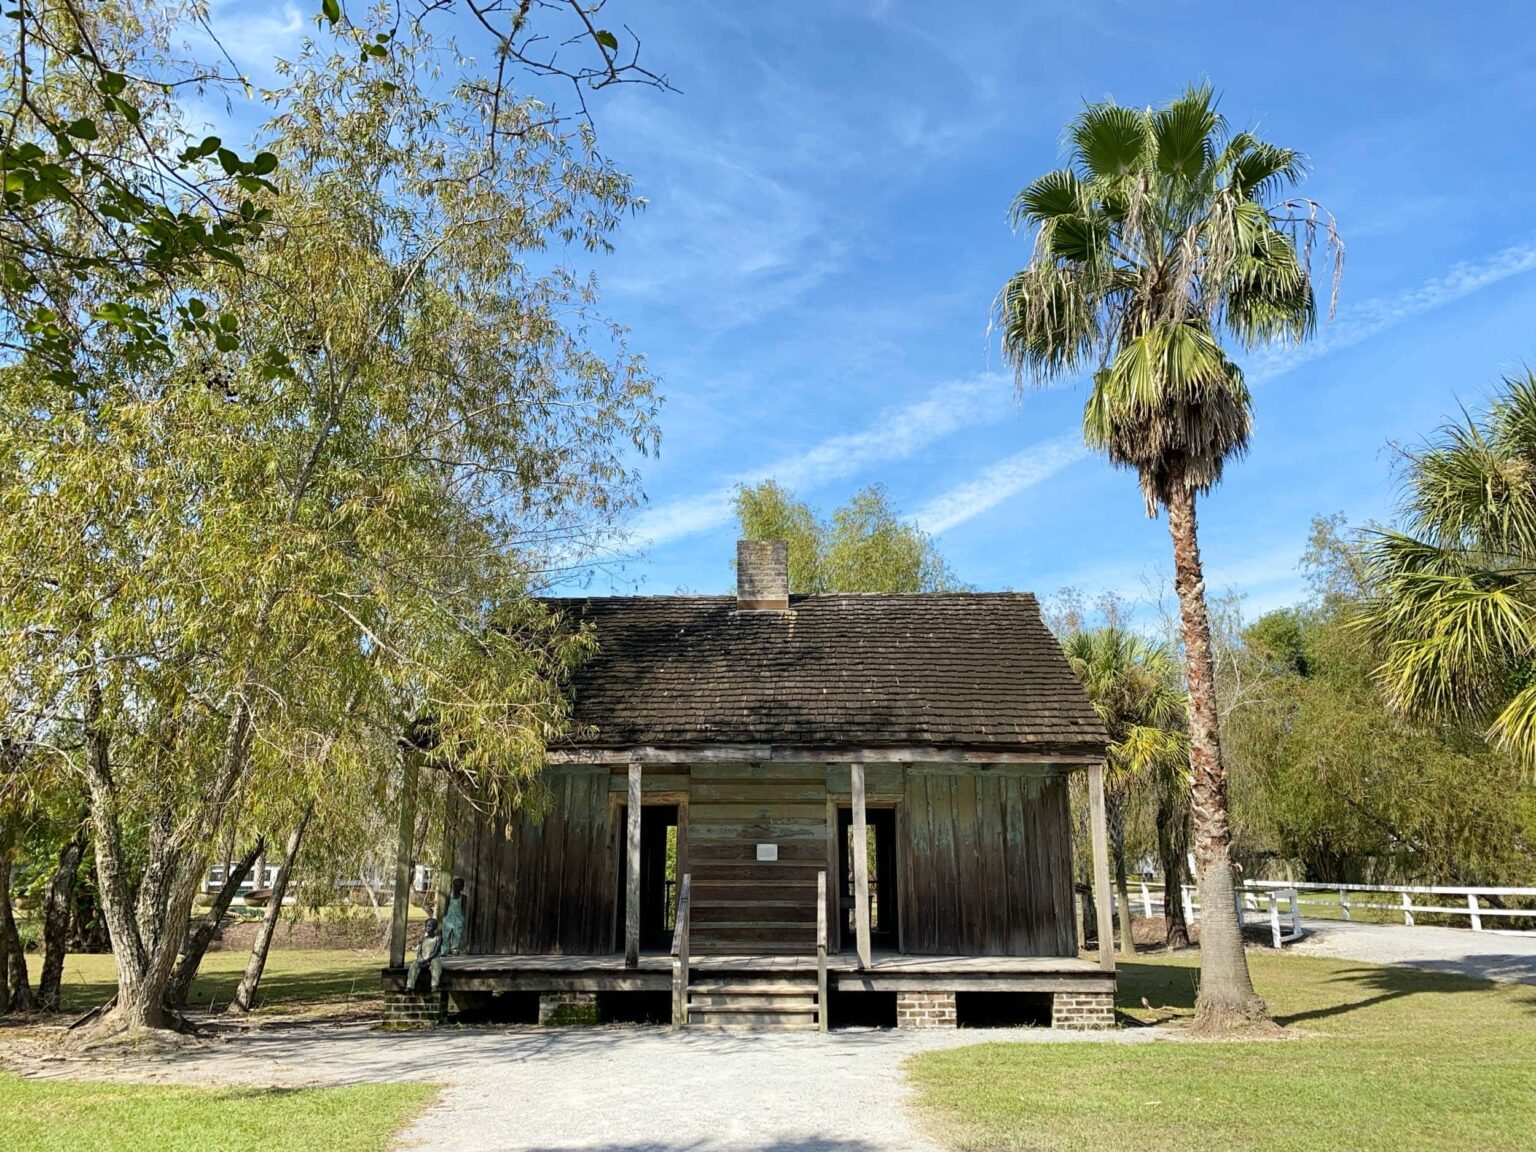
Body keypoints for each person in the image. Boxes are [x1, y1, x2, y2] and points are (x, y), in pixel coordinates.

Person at [405, 916, 444, 993]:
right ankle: (410, 985)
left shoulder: (438, 938)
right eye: (426, 926)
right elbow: (419, 952)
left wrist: (427, 960)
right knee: (413, 964)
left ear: (435, 928)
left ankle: (434, 985)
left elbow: (436, 952)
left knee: (436, 964)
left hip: (432, 959)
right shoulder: (423, 939)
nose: (427, 928)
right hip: (423, 959)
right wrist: (420, 959)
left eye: (429, 926)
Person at [442, 877, 467, 956]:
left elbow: (464, 908)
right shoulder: (449, 896)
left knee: (457, 934)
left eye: (459, 886)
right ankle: (444, 949)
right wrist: (444, 917)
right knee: (446, 934)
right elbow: (446, 907)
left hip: (458, 918)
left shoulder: (463, 898)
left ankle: (454, 948)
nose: (457, 888)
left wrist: (463, 917)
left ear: (462, 887)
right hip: (449, 917)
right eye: (455, 886)